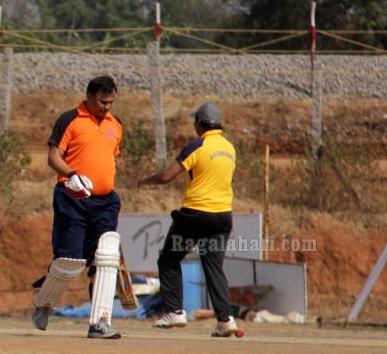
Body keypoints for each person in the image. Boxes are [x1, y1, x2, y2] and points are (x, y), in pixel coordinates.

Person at [138, 101, 243, 338]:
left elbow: (166, 176)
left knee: (168, 258)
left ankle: (175, 311)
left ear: (199, 123)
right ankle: (226, 320)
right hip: (223, 216)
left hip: (196, 213)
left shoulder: (196, 147)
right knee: (213, 265)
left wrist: (145, 180)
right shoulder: (230, 148)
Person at [31, 75, 123, 339]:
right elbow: (53, 157)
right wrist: (71, 174)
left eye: (111, 102)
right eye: (103, 102)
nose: (107, 107)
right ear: (89, 97)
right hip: (73, 198)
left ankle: (100, 322)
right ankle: (45, 303)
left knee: (104, 259)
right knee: (70, 261)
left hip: (105, 201)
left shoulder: (115, 124)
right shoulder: (70, 119)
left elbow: (106, 158)